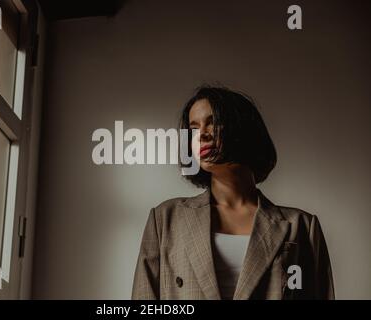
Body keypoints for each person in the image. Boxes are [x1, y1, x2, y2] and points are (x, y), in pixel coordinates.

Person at [132, 86, 334, 300]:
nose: (202, 135)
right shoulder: (165, 219)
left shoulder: (301, 225)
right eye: (193, 129)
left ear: (243, 128)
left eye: (213, 122)